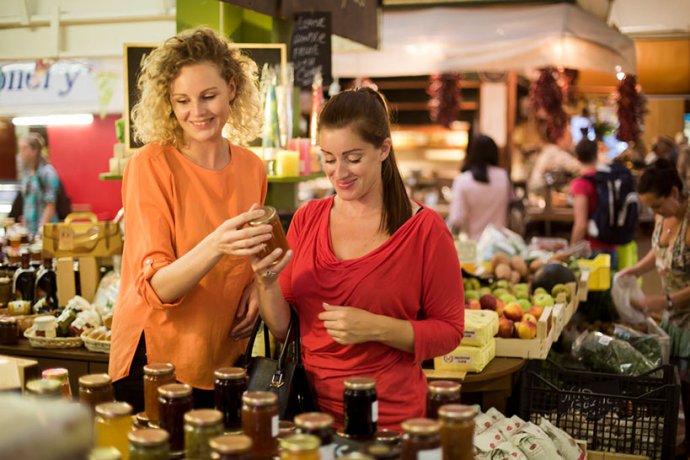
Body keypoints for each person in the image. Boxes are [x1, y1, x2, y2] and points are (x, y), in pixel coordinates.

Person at [238, 88, 465, 429]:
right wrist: (266, 281)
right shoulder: (307, 219)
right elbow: (286, 330)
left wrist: (375, 328)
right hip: (308, 414)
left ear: (383, 149)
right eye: (329, 158)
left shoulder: (425, 231)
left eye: (353, 158)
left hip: (390, 420)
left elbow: (449, 331)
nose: (339, 172)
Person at [108, 27, 268, 411]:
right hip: (155, 362)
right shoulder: (150, 166)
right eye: (182, 100)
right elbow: (157, 288)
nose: (196, 112)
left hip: (225, 358)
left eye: (208, 96)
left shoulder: (252, 168)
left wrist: (259, 287)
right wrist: (216, 244)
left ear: (232, 87)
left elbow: (256, 258)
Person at [618, 160, 690, 451]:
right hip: (673, 321)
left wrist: (665, 300)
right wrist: (634, 270)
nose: (655, 213)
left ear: (674, 192)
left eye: (658, 206)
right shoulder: (664, 218)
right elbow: (659, 254)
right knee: (680, 388)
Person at [448, 134, 512, 240]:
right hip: (501, 244)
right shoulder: (504, 177)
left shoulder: (462, 180)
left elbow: (456, 219)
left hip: (474, 245)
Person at [569, 139, 616, 252]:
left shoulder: (581, 184)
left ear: (577, 156)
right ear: (596, 154)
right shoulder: (608, 179)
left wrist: (570, 251)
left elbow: (581, 225)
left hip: (592, 249)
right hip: (612, 246)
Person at [17, 132, 60, 235]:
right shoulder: (27, 174)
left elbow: (51, 205)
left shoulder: (47, 172)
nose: (21, 153)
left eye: (24, 148)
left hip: (44, 232)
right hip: (29, 230)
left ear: (34, 150)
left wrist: (41, 230)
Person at [527, 122, 580, 195]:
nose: (572, 139)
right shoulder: (554, 152)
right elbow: (578, 167)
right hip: (541, 193)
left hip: (537, 191)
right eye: (570, 136)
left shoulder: (549, 149)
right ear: (559, 138)